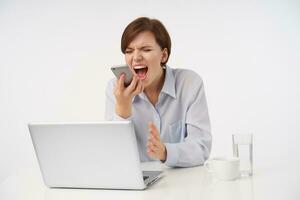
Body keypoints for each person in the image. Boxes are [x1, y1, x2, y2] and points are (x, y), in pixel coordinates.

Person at [105, 17, 211, 167]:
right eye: (129, 51)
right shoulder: (115, 89)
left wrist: (166, 152)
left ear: (164, 55)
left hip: (182, 183)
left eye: (146, 49)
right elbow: (113, 156)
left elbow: (201, 148)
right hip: (136, 184)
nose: (136, 57)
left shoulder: (189, 83)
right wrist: (123, 109)